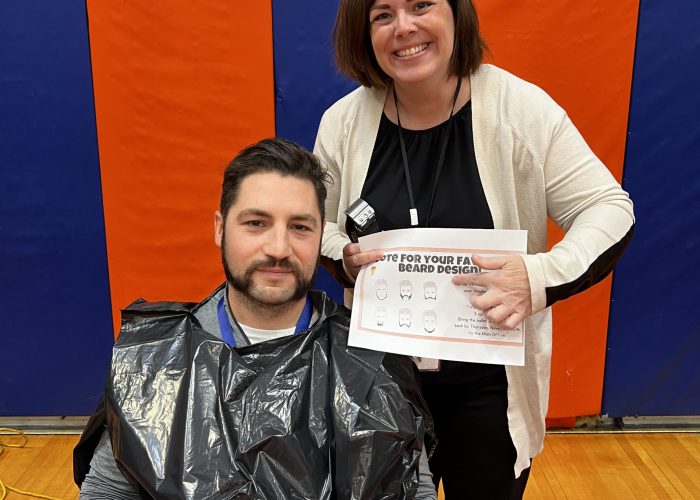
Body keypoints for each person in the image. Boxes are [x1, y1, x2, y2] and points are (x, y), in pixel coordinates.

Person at [314, 1, 635, 498]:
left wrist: (538, 277)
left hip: (490, 392)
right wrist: (344, 257)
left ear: (456, 15)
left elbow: (609, 209)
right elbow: (318, 225)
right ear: (364, 33)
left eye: (422, 5)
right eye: (383, 14)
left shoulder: (520, 110)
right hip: (381, 385)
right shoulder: (343, 123)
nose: (404, 27)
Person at [74, 138, 437, 499]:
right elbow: (107, 490)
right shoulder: (154, 360)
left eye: (300, 227)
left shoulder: (373, 361)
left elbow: (412, 489)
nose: (278, 248)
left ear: (319, 236)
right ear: (220, 228)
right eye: (256, 223)